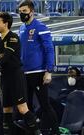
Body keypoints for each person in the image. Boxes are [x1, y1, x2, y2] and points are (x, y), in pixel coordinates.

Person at [18, 0, 60, 134]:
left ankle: (56, 131)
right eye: (20, 12)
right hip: (24, 73)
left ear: (32, 11)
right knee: (26, 106)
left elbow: (49, 49)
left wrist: (49, 71)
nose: (22, 14)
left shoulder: (41, 27)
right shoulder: (21, 28)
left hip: (39, 72)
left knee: (45, 105)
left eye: (24, 11)